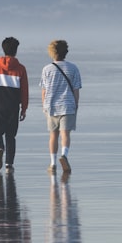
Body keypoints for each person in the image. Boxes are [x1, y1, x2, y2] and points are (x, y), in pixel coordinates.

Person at [0, 37, 29, 172]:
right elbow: (24, 91)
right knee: (11, 136)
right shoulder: (21, 69)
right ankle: (9, 164)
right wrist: (24, 108)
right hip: (13, 107)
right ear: (16, 51)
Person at [40, 39, 82, 174]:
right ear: (66, 52)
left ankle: (52, 163)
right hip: (68, 105)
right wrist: (76, 104)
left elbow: (44, 91)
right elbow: (76, 89)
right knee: (65, 134)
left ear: (52, 53)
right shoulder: (73, 68)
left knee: (53, 136)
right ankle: (64, 155)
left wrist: (44, 106)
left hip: (51, 106)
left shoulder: (47, 69)